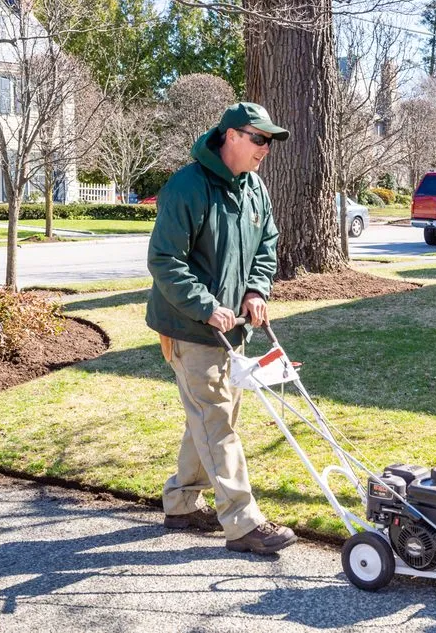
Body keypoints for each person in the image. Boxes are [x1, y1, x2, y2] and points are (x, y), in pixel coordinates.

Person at [145, 102, 296, 555]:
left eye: (269, 141)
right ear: (230, 136)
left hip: (232, 327)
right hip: (191, 327)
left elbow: (267, 243)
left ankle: (180, 504)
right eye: (258, 139)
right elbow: (164, 261)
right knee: (216, 420)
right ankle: (243, 522)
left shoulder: (254, 189)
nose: (265, 149)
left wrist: (255, 291)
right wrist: (206, 306)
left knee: (210, 418)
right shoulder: (187, 187)